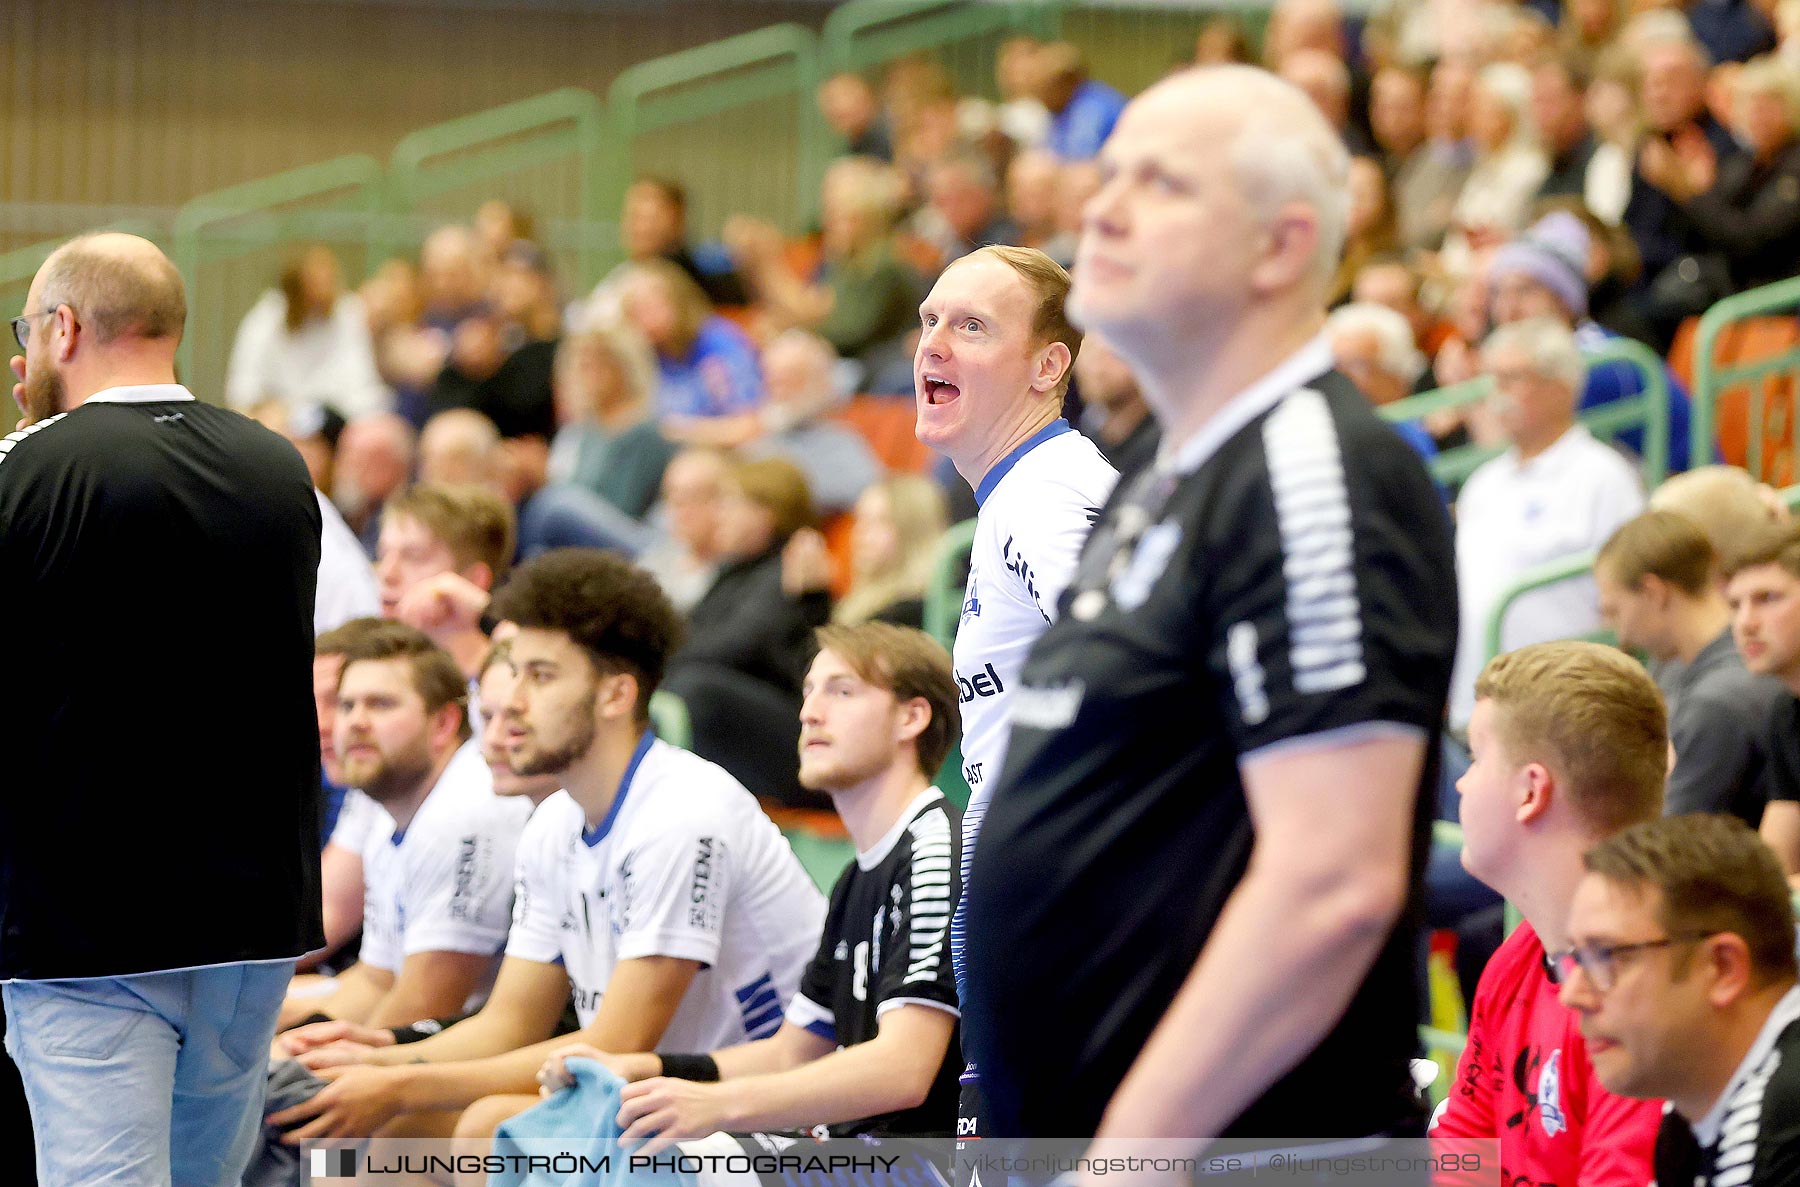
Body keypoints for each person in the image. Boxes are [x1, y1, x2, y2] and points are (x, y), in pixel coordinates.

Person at [966, 66, 1456, 1152]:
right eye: (1105, 175)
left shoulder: (1314, 467)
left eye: (1161, 182)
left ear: (1280, 246)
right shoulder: (1156, 472)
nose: (1102, 207)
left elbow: (1331, 882)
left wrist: (1135, 1150)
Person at [265, 549, 824, 1148]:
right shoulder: (554, 824)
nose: (513, 701)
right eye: (513, 671)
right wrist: (376, 1065)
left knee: (473, 1128)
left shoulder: (683, 813)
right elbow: (509, 1023)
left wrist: (399, 1084)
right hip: (656, 1100)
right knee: (367, 1131)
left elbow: (615, 1045)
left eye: (541, 675)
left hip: (778, 1117)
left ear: (614, 695)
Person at [0, 232, 324, 1185]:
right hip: (254, 915)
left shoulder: (26, 469)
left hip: (87, 924)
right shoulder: (279, 466)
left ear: (62, 328)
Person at [534, 622, 964, 1146]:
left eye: (842, 691)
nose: (809, 712)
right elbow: (789, 1053)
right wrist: (641, 1068)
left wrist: (715, 1107)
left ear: (912, 717)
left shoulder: (936, 851)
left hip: (939, 1163)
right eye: (808, 692)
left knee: (655, 1157)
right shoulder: (858, 875)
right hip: (858, 1149)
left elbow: (903, 1070)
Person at [913, 242, 1118, 1142]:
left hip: (1059, 892)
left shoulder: (1047, 493)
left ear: (1048, 366)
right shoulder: (1020, 492)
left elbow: (1119, 655)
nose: (934, 344)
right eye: (929, 320)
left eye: (971, 325)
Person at [1428, 641, 1666, 1185]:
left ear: (1531, 790)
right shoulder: (1518, 957)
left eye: (1477, 756)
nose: (1461, 781)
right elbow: (1460, 1154)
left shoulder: (1645, 988)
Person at [274, 624, 529, 1034]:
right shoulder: (385, 812)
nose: (355, 722)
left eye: (381, 704)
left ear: (443, 723)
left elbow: (424, 1004)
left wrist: (297, 1055)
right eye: (347, 705)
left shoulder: (465, 813)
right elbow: (375, 980)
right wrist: (299, 1036)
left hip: (472, 1052)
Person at [1558, 814, 1800, 1186]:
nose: (1571, 994)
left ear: (1721, 968)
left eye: (1607, 955)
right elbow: (1462, 1132)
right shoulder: (1686, 1117)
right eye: (1577, 958)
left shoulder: (1780, 1133)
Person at [1449, 318, 1644, 732]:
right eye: (1493, 379)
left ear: (1562, 386)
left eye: (1512, 379)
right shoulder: (1483, 482)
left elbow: (1631, 591)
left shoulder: (1603, 475)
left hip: (1563, 717)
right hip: (1474, 714)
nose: (1497, 396)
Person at [1597, 510, 1785, 822]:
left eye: (1616, 612)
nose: (1621, 636)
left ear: (1653, 593)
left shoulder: (1717, 701)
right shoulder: (1669, 664)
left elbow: (1668, 844)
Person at [225, 243, 390, 423]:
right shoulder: (264, 320)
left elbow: (361, 385)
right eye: (314, 283)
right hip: (279, 422)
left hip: (340, 420)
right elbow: (243, 391)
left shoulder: (348, 313)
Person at [376, 482, 515, 681]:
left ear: (473, 581)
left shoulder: (507, 681)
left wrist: (486, 613)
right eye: (382, 554)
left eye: (414, 557)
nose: (387, 573)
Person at [1724, 523, 1800, 879]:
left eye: (1768, 598)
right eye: (1735, 605)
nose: (1745, 624)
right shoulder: (1786, 713)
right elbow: (1774, 870)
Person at [834, 475, 951, 630]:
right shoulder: (863, 601)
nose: (860, 532)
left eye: (880, 521)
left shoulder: (912, 615)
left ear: (914, 531)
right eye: (860, 519)